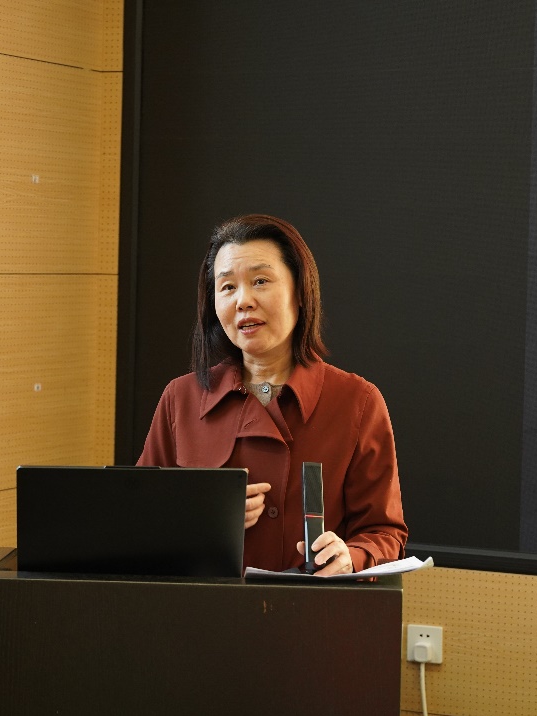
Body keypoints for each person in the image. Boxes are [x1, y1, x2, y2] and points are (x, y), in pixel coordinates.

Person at [137, 214, 407, 575]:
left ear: (300, 292)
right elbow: (139, 518)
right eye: (227, 287)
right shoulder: (181, 398)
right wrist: (199, 517)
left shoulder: (357, 401)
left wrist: (352, 556)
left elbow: (384, 533)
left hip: (311, 605)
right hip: (204, 604)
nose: (243, 301)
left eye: (260, 281)